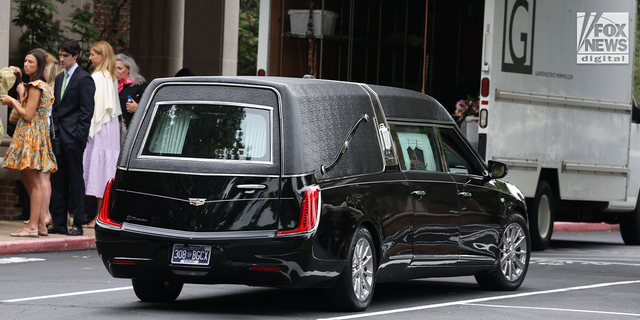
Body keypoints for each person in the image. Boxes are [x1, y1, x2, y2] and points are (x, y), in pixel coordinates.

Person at [0, 50, 57, 237]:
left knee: (33, 183)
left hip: (30, 136)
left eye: (30, 62)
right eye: (25, 60)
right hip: (37, 135)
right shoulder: (42, 85)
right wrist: (18, 81)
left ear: (39, 66)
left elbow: (27, 114)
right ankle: (40, 225)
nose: (25, 64)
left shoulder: (35, 85)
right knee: (30, 180)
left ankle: (32, 227)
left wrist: (11, 101)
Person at [49, 39, 96, 236]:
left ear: (75, 56)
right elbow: (58, 109)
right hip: (59, 137)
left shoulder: (84, 78)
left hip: (74, 138)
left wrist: (79, 136)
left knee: (76, 180)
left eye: (65, 56)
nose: (61, 59)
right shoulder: (60, 78)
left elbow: (87, 111)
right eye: (60, 55)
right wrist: (55, 131)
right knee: (57, 180)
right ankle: (59, 221)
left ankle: (78, 222)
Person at [81, 41, 121, 229]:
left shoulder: (98, 76)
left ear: (102, 56)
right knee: (106, 169)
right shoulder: (111, 76)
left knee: (99, 168)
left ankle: (97, 215)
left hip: (100, 127)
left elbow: (93, 105)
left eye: (92, 54)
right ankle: (101, 214)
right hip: (110, 126)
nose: (90, 58)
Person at [115, 53, 147, 127]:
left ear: (128, 69)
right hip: (115, 128)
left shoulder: (140, 85)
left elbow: (149, 109)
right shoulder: (111, 86)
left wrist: (137, 108)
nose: (116, 72)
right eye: (114, 68)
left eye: (120, 68)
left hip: (132, 128)